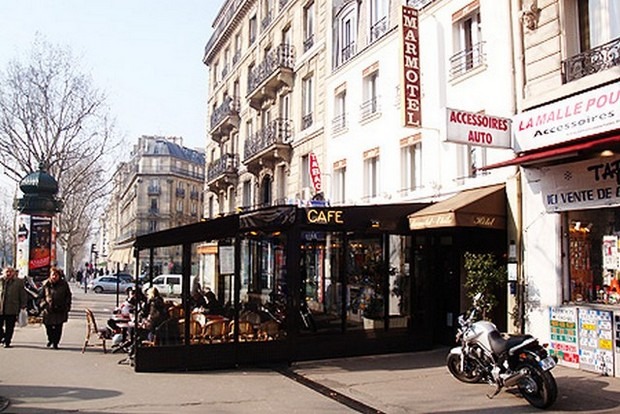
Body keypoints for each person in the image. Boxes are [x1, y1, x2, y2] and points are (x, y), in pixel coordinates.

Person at [40, 267, 72, 349]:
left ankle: (55, 343)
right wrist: (43, 304)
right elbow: (40, 296)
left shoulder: (64, 284)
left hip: (60, 309)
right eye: (53, 275)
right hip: (48, 310)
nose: (54, 277)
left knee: (58, 327)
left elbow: (68, 296)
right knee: (48, 327)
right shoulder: (45, 284)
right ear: (50, 275)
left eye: (56, 275)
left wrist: (67, 306)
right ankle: (50, 339)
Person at [0, 267, 28, 348]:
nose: (8, 274)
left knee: (10, 326)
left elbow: (22, 294)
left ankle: (7, 341)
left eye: (10, 272)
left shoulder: (18, 282)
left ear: (13, 273)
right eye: (7, 272)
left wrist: (23, 305)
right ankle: (2, 337)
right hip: (1, 307)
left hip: (12, 307)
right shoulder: (1, 281)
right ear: (3, 272)